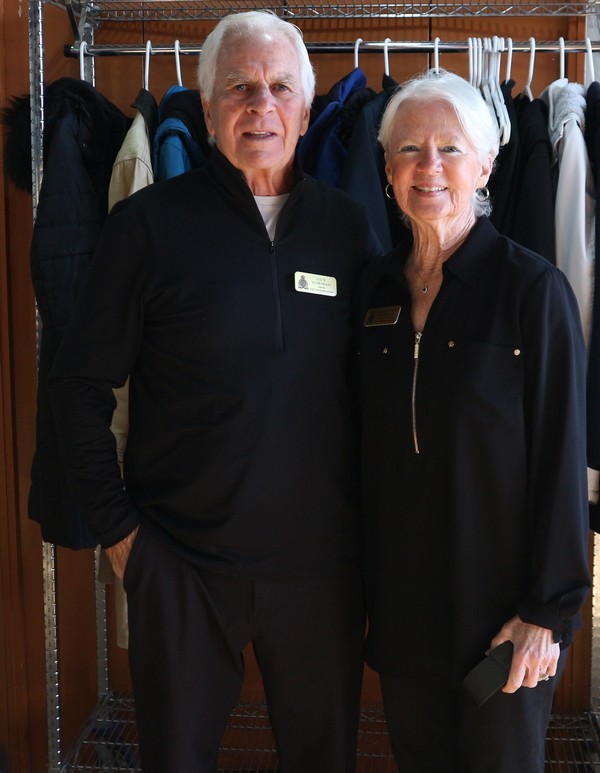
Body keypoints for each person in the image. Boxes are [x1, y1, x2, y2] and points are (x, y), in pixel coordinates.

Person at [47, 11, 381, 772]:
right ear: (206, 110)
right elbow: (77, 384)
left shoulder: (350, 228)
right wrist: (121, 534)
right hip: (182, 565)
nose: (261, 105)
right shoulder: (146, 226)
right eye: (239, 87)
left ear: (306, 110)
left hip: (322, 570)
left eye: (280, 88)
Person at [359, 69, 591, 773]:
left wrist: (548, 612)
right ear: (387, 169)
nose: (428, 166)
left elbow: (562, 455)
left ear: (486, 165)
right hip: (404, 612)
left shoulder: (532, 289)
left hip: (504, 621)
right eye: (409, 149)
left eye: (450, 149)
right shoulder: (372, 289)